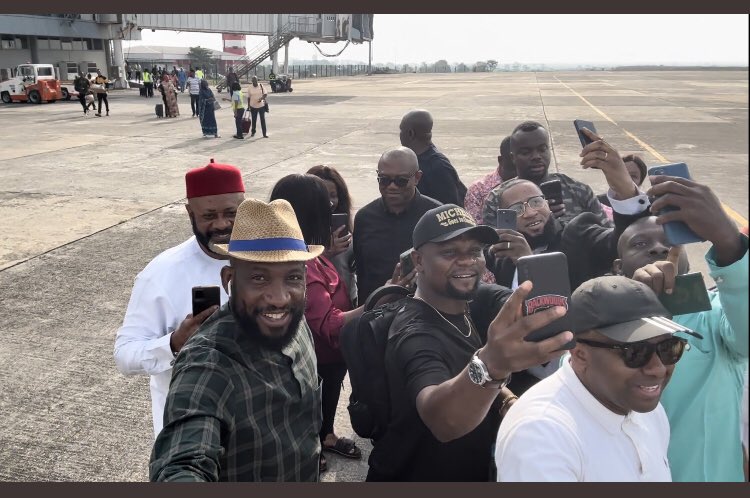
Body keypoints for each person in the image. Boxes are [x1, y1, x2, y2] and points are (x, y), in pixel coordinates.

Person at [367, 203, 575, 481]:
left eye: (475, 251)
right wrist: (491, 366)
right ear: (418, 261)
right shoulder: (414, 332)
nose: (467, 261)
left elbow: (531, 306)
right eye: (449, 252)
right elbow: (443, 421)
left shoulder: (469, 303)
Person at [149, 198, 323, 481]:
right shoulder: (209, 364)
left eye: (292, 278)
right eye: (259, 278)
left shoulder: (296, 322)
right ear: (229, 279)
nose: (279, 298)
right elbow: (183, 463)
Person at [612, 175, 748, 482]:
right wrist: (631, 308)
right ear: (619, 268)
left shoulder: (715, 315)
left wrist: (729, 241)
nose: (659, 249)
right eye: (641, 243)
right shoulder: (601, 326)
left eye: (670, 242)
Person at [495, 275, 697, 481]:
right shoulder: (541, 435)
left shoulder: (647, 411)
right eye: (635, 352)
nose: (658, 368)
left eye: (668, 348)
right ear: (581, 355)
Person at [114, 160, 245, 437]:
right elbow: (124, 355)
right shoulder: (161, 273)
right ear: (189, 213)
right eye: (209, 215)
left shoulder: (266, 260)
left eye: (231, 213)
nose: (222, 224)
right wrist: (174, 343)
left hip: (254, 421)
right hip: (187, 426)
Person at [270, 174, 365, 473]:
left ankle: (326, 435)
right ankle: (312, 442)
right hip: (318, 354)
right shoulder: (301, 265)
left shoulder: (311, 252)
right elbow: (330, 324)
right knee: (312, 398)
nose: (332, 208)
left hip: (332, 357)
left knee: (332, 387)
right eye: (325, 205)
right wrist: (375, 305)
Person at [482, 130, 648, 292]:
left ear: (547, 204)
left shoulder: (578, 235)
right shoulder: (503, 255)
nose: (531, 212)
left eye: (536, 202)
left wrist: (625, 187)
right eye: (517, 209)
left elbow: (621, 241)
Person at [352, 147, 441, 304]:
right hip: (376, 313)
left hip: (425, 312)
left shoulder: (436, 216)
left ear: (417, 178)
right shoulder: (364, 218)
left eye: (401, 181)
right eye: (384, 179)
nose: (392, 186)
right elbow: (362, 275)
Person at [484, 121, 608, 226]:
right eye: (526, 152)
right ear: (513, 158)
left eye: (542, 149)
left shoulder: (579, 190)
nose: (536, 156)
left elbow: (608, 236)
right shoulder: (497, 199)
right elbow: (490, 248)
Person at [307, 164, 358, 306]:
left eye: (333, 196)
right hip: (317, 309)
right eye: (322, 197)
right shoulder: (299, 232)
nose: (329, 202)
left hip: (347, 308)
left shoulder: (345, 232)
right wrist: (326, 254)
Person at [399, 109, 467, 205]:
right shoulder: (414, 159)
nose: (400, 135)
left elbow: (450, 208)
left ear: (411, 133)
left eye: (401, 130)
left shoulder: (438, 167)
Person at [464, 136, 514, 224]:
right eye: (513, 168)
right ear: (501, 160)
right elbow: (475, 230)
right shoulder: (478, 190)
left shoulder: (536, 183)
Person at [598, 154, 648, 221]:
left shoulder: (648, 207)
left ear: (640, 182)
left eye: (633, 176)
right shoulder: (598, 203)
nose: (627, 179)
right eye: (623, 174)